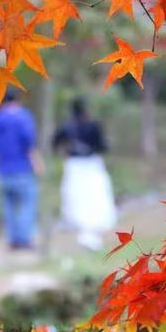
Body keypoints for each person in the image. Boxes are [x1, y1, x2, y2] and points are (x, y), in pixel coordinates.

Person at [52, 97, 117, 251]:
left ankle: (80, 224)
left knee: (76, 195)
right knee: (95, 194)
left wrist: (65, 151)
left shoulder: (67, 126)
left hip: (74, 164)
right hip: (92, 163)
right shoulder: (93, 125)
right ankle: (93, 227)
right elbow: (102, 146)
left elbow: (55, 142)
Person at [0, 87, 41, 250]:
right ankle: (24, 239)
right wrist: (37, 163)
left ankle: (12, 239)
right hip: (22, 168)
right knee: (27, 203)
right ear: (18, 100)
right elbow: (28, 143)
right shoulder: (23, 117)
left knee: (8, 206)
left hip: (2, 169)